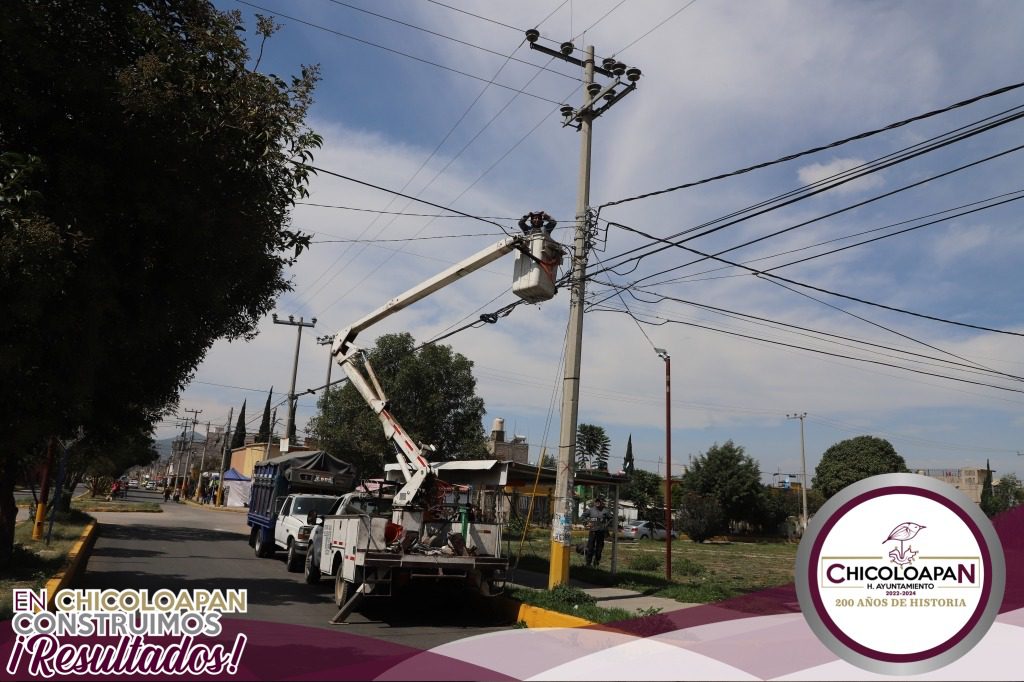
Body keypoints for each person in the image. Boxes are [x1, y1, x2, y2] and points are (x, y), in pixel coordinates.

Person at [581, 497, 613, 567]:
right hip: (592, 532)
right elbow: (582, 517)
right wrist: (586, 523)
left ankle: (596, 562)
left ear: (601, 503)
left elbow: (611, 518)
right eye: (596, 502)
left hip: (601, 532)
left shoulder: (605, 511)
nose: (597, 503)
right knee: (590, 548)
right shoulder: (590, 510)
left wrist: (606, 525)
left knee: (599, 549)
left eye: (599, 502)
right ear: (595, 503)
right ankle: (588, 563)